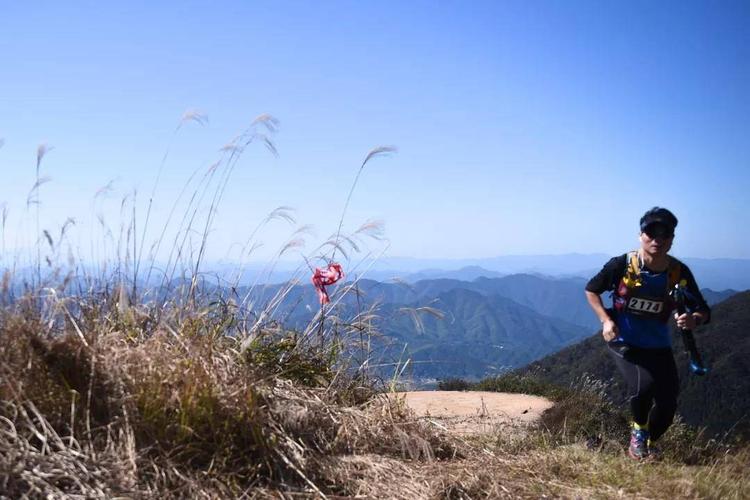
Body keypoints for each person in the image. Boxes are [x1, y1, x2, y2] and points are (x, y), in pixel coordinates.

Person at [584, 207, 710, 460]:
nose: (657, 239)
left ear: (672, 239)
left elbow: (703, 310)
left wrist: (693, 319)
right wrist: (605, 320)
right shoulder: (621, 265)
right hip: (623, 340)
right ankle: (638, 437)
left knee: (667, 403)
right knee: (643, 387)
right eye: (651, 233)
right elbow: (591, 290)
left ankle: (647, 443)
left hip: (658, 345)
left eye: (664, 234)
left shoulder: (678, 272)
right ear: (640, 235)